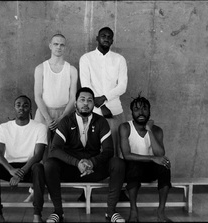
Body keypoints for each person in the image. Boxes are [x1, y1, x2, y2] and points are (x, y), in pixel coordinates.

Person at [44, 87, 126, 223]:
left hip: (94, 168)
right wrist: (77, 163)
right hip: (71, 168)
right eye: (82, 100)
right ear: (75, 103)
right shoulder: (66, 121)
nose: (86, 103)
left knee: (117, 163)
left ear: (94, 104)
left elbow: (108, 150)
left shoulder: (101, 121)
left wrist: (92, 162)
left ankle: (111, 212)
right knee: (49, 164)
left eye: (89, 100)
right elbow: (55, 149)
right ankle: (58, 212)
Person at [24, 33, 78, 202]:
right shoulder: (40, 68)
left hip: (65, 114)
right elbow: (38, 95)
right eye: (56, 44)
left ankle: (54, 187)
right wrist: (47, 118)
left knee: (59, 151)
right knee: (39, 151)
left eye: (62, 44)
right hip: (44, 113)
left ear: (65, 47)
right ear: (50, 45)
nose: (59, 47)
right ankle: (35, 190)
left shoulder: (72, 69)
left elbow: (73, 98)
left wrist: (62, 117)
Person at [79, 26, 129, 202]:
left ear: (112, 40)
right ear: (97, 38)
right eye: (103, 36)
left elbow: (122, 86)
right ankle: (86, 191)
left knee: (116, 152)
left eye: (109, 37)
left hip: (114, 112)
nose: (106, 38)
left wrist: (105, 99)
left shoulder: (119, 59)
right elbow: (86, 85)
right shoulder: (86, 59)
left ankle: (119, 189)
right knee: (90, 149)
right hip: (91, 112)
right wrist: (99, 108)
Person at [0, 95, 48, 223]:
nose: (21, 108)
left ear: (30, 109)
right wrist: (10, 170)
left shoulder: (40, 127)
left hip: (30, 167)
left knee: (39, 167)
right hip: (11, 168)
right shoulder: (4, 127)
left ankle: (37, 215)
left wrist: (21, 173)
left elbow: (38, 155)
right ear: (14, 108)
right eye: (18, 105)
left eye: (25, 105)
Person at [119, 94, 172, 222]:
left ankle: (161, 211)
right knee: (134, 165)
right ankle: (133, 211)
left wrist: (149, 130)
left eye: (144, 109)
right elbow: (127, 155)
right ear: (132, 112)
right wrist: (152, 158)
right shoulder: (125, 127)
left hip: (149, 170)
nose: (141, 112)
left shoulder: (157, 130)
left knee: (165, 165)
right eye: (137, 109)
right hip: (131, 169)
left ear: (149, 111)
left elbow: (160, 155)